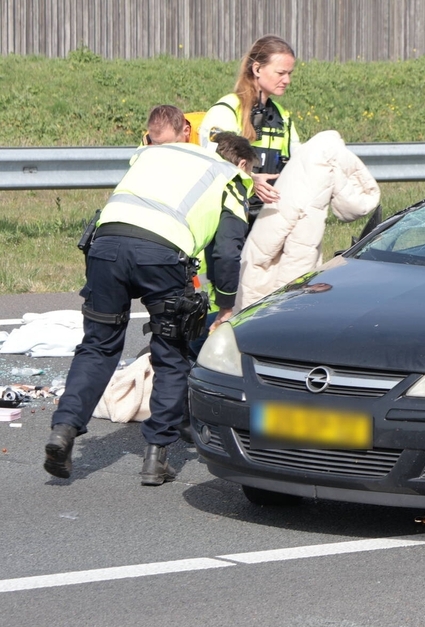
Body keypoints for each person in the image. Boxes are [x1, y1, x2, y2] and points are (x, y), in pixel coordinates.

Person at [44, 108, 257, 486]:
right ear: (242, 162)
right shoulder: (231, 177)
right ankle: (156, 457)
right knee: (171, 353)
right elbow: (226, 252)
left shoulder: (154, 152)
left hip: (105, 246)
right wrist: (226, 304)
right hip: (162, 256)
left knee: (97, 346)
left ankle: (63, 429)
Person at [199, 35, 300, 213]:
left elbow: (298, 161)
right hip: (230, 215)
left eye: (289, 74)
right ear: (257, 69)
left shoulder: (282, 116)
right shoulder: (227, 109)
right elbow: (214, 165)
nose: (287, 81)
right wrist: (251, 179)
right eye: (281, 73)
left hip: (268, 215)